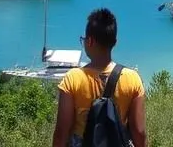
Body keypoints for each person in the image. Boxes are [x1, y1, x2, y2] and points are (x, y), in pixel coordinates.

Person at [53, 8, 148, 147]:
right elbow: (139, 132)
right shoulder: (132, 79)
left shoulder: (72, 79)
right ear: (115, 42)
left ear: (90, 41)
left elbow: (62, 132)